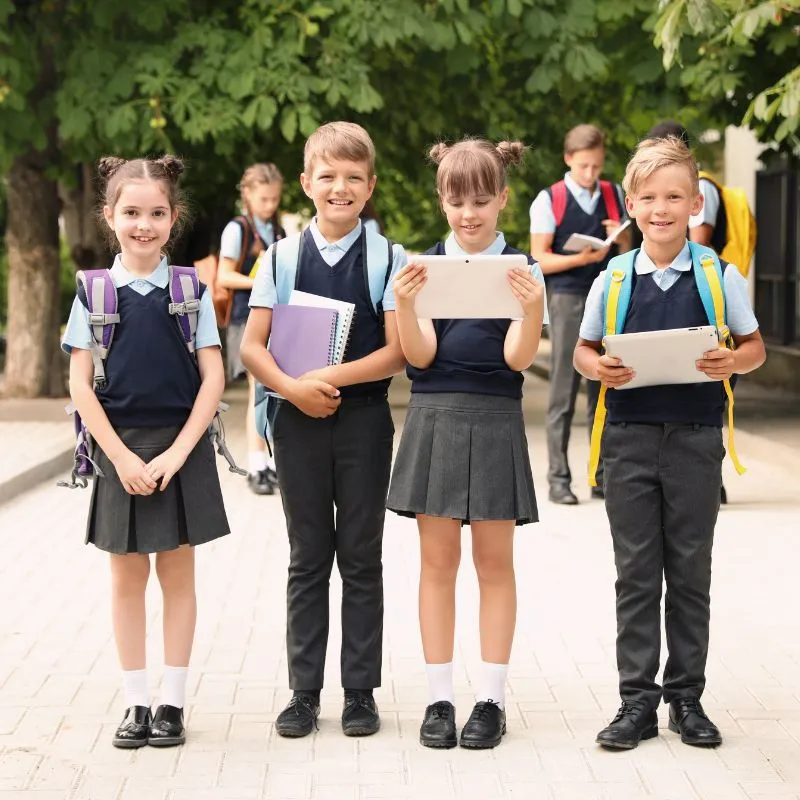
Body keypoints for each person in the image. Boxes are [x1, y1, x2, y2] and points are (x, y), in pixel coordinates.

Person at [573, 136, 765, 750]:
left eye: (675, 196)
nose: (662, 207)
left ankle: (687, 700)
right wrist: (595, 368)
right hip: (627, 442)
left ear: (696, 203)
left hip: (695, 441)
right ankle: (636, 702)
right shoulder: (614, 277)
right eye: (650, 196)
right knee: (635, 575)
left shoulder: (719, 275)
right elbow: (582, 350)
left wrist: (730, 361)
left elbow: (753, 346)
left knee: (688, 573)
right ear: (631, 203)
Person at [241, 121, 407, 738]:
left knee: (362, 557)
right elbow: (254, 348)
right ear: (307, 182)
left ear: (369, 187)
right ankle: (304, 692)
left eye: (354, 178)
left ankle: (360, 691)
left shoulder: (388, 257)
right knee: (307, 556)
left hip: (364, 421)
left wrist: (329, 376)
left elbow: (399, 352)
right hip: (296, 424)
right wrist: (294, 390)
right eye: (328, 177)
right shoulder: (280, 258)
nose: (341, 188)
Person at [61, 155, 230, 749]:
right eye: (131, 212)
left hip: (178, 449)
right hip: (119, 451)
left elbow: (213, 378)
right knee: (126, 579)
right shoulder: (94, 291)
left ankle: (173, 704)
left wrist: (178, 454)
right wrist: (122, 460)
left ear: (173, 217)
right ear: (110, 217)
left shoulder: (190, 290)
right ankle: (136, 702)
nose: (144, 224)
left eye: (156, 213)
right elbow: (82, 386)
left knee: (178, 577)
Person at [387, 138, 547, 750]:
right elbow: (420, 355)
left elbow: (517, 360)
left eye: (482, 200)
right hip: (433, 415)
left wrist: (530, 311)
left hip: (497, 414)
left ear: (504, 199)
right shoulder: (422, 268)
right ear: (441, 200)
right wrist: (404, 303)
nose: (470, 213)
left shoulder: (521, 272)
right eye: (457, 201)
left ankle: (490, 700)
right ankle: (438, 699)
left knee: (495, 565)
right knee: (436, 565)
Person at [530, 124, 631, 505]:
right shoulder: (549, 199)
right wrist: (579, 258)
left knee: (603, 386)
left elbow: (626, 245)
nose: (591, 174)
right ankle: (558, 477)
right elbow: (538, 257)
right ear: (569, 159)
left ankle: (599, 474)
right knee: (563, 388)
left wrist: (618, 237)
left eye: (598, 166)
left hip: (608, 295)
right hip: (568, 297)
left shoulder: (613, 194)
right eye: (585, 166)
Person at [217, 163, 285, 496]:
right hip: (247, 320)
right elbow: (223, 277)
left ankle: (271, 464)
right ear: (247, 194)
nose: (269, 205)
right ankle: (257, 464)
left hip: (278, 320)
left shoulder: (277, 229)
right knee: (258, 392)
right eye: (263, 199)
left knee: (275, 393)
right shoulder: (238, 228)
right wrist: (259, 281)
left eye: (274, 199)